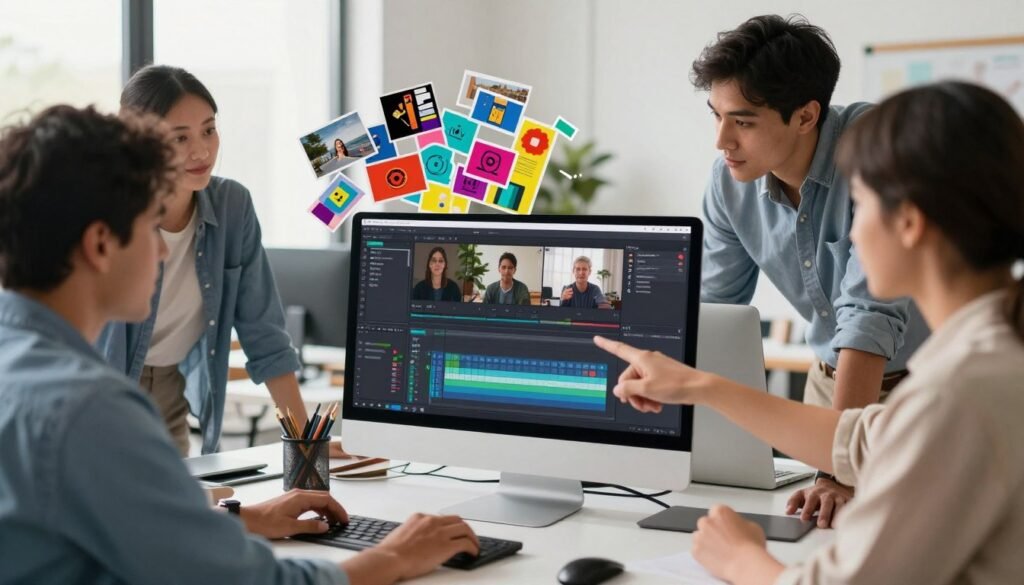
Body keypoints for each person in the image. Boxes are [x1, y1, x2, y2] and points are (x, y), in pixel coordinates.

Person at [0, 104, 481, 585]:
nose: (165, 250)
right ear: (101, 245)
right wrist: (394, 556)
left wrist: (242, 519)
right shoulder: (88, 410)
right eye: (151, 225)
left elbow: (108, 524)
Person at [595, 81, 1024, 584]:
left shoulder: (957, 394)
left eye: (860, 205)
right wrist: (697, 385)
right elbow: (859, 438)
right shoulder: (989, 357)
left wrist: (740, 558)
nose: (850, 233)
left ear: (908, 223)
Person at [692, 14, 930, 525]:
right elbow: (713, 311)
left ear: (805, 116)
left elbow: (869, 316)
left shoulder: (876, 152)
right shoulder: (728, 181)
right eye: (716, 116)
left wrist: (839, 469)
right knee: (815, 531)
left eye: (743, 121)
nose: (722, 141)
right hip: (832, 383)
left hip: (925, 388)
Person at [95, 65, 337, 457]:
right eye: (180, 138)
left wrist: (306, 443)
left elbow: (265, 334)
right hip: (98, 395)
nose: (201, 151)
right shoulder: (106, 212)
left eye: (209, 130)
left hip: (169, 392)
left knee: (173, 514)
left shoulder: (232, 207)